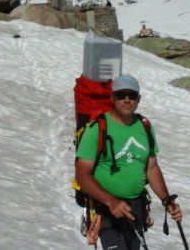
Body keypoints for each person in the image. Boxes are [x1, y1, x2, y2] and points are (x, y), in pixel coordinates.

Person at [75, 75, 183, 250]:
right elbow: (82, 175)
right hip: (107, 210)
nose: (127, 100)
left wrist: (166, 200)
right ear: (112, 97)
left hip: (136, 209)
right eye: (121, 95)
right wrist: (110, 201)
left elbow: (152, 168)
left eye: (131, 95)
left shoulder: (145, 126)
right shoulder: (97, 128)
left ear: (138, 99)